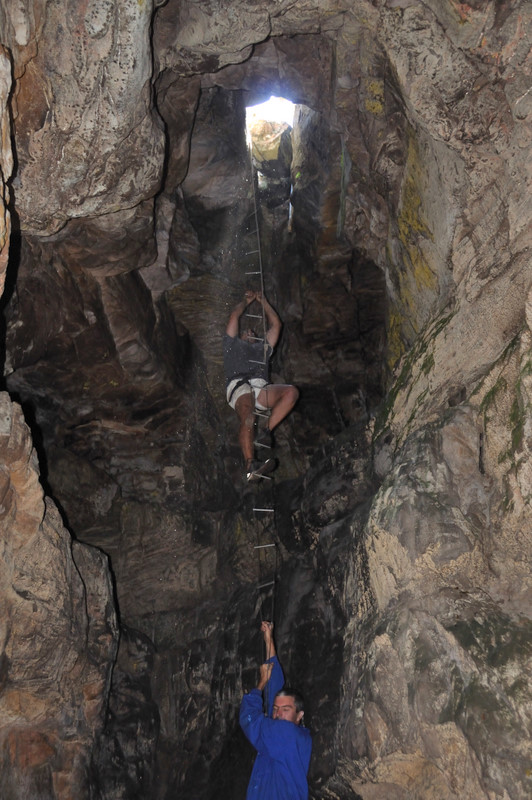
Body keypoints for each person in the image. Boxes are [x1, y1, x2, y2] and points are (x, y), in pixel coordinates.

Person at [223, 290, 299, 481]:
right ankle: (251, 465)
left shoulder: (262, 348)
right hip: (239, 385)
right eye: (245, 332)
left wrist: (264, 302)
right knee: (248, 414)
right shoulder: (231, 346)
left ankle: (266, 431)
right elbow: (234, 316)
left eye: (252, 332)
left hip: (260, 387)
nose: (250, 332)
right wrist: (246, 301)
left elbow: (277, 325)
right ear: (239, 336)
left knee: (291, 393)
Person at [239, 621, 312, 800]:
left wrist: (261, 684)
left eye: (286, 709)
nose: (278, 713)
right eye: (275, 709)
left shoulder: (286, 733)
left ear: (300, 715)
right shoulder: (296, 738)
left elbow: (250, 719)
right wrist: (269, 641)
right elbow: (275, 687)